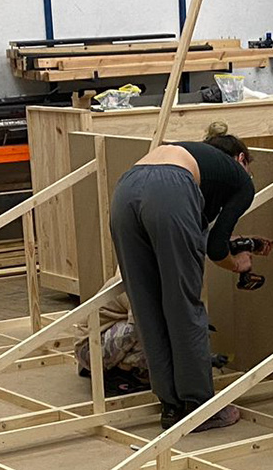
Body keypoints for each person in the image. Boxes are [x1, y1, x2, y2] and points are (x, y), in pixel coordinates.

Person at [107, 124, 260, 430]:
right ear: (241, 158)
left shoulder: (190, 156)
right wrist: (238, 264)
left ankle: (171, 406)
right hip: (169, 191)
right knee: (183, 305)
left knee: (146, 307)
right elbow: (216, 248)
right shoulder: (241, 180)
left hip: (125, 191)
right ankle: (200, 407)